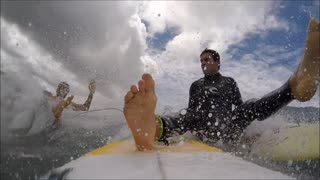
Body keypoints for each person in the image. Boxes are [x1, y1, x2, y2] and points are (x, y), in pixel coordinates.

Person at [123, 19, 320, 151]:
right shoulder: (195, 85)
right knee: (189, 114)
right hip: (203, 128)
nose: (203, 63)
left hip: (228, 129)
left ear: (218, 63)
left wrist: (247, 136)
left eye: (207, 59)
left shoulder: (229, 82)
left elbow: (240, 108)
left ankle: (292, 88)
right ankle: (153, 127)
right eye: (201, 61)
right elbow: (191, 112)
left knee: (248, 108)